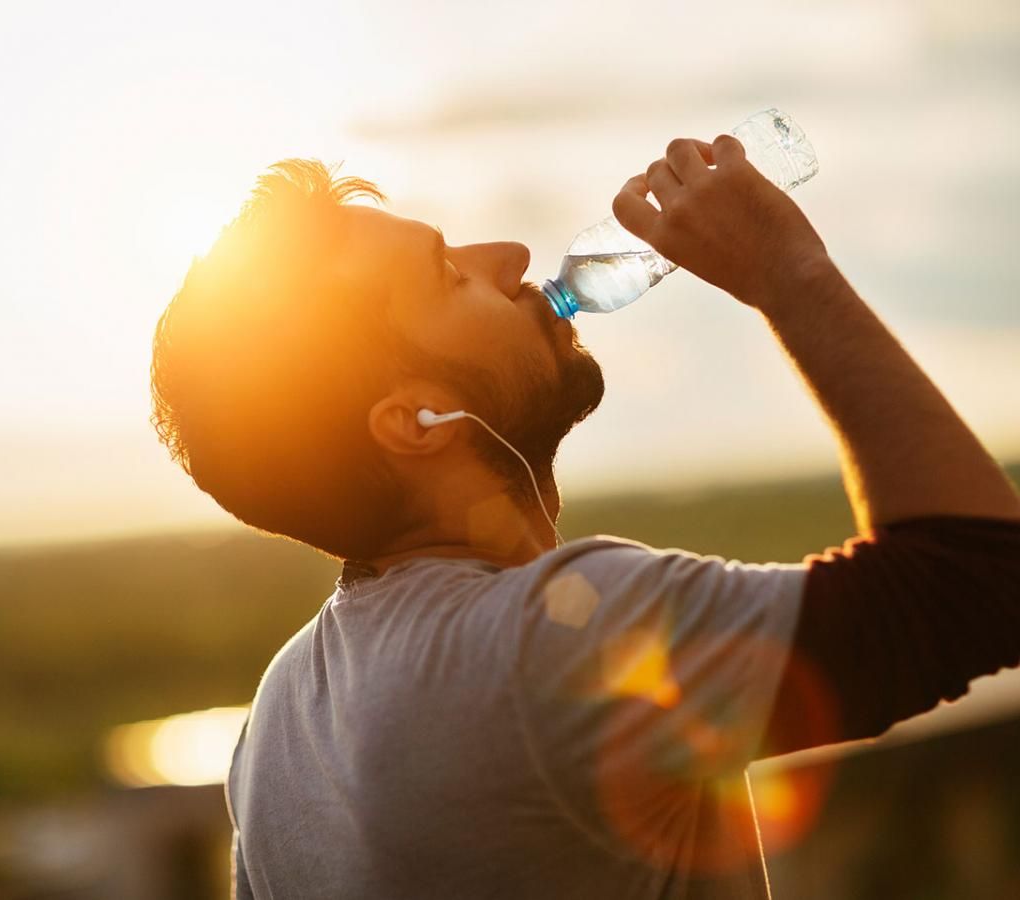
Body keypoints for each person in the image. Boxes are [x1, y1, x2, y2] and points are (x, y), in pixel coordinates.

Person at [149, 137, 1020, 899]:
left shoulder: (278, 722)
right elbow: (978, 578)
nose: (510, 255)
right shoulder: (550, 643)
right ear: (413, 422)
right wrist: (788, 273)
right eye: (447, 275)